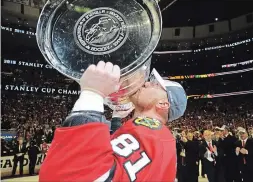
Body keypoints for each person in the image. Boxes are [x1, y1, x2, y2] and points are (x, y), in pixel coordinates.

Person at [39, 61, 187, 181]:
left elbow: (75, 175)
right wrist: (116, 120)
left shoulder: (152, 133)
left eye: (155, 84)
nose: (147, 83)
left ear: (163, 104)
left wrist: (92, 95)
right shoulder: (155, 135)